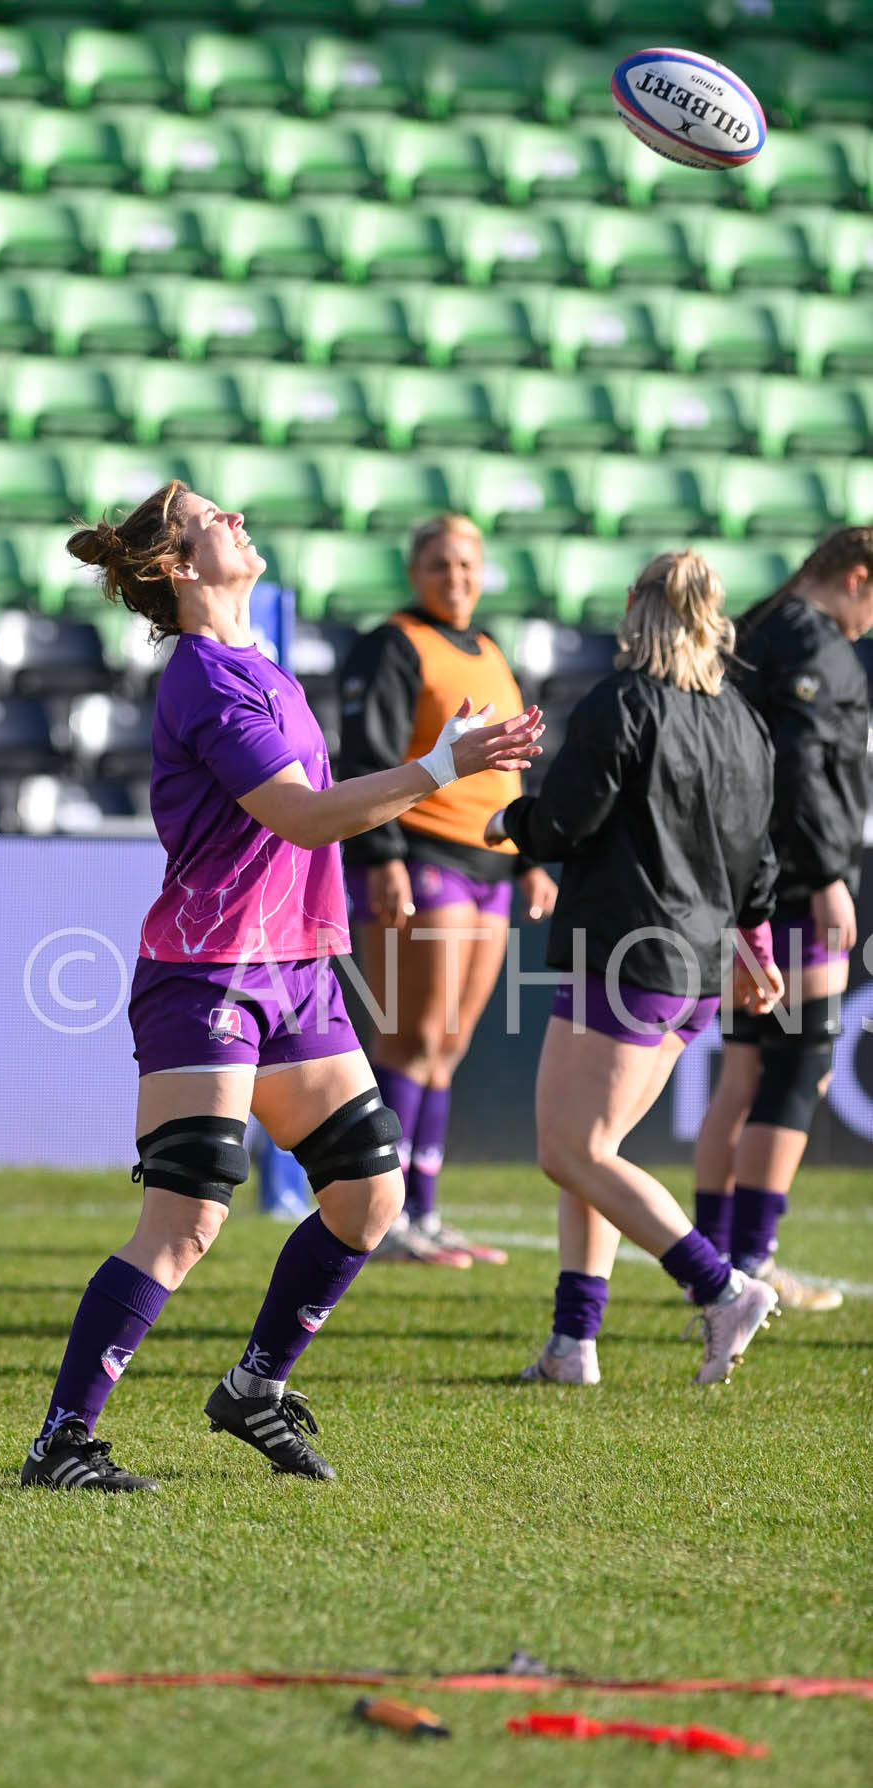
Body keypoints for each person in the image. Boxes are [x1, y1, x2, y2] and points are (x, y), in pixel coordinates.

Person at [21, 482, 543, 1490]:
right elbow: (305, 817)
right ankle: (61, 1441)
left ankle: (255, 1386)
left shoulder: (260, 665)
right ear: (177, 565)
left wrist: (430, 768)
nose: (239, 520)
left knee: (369, 1195)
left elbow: (317, 813)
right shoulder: (210, 680)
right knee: (185, 1224)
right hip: (207, 970)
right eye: (216, 517)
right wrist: (436, 765)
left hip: (294, 968)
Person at [483, 550, 783, 1389]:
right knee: (598, 1151)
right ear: (711, 616)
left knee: (570, 1150)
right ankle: (571, 1345)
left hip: (628, 950)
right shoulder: (741, 717)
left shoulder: (624, 700)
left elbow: (568, 821)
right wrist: (754, 941)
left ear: (631, 607)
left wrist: (513, 820)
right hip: (696, 965)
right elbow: (760, 853)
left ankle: (719, 1288)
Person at [337, 514, 557, 1269]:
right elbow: (367, 756)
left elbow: (509, 764)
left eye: (465, 564)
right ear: (413, 572)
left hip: (489, 861)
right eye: (438, 564)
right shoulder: (393, 644)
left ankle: (423, 1213)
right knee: (410, 1035)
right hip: (419, 854)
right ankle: (383, 1213)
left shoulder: (489, 650)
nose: (454, 577)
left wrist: (530, 851)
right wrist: (382, 854)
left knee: (451, 1044)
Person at [692, 526, 873, 1312]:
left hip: (746, 878)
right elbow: (799, 770)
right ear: (857, 578)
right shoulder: (810, 637)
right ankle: (749, 1260)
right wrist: (828, 874)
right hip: (791, 883)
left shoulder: (765, 623)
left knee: (744, 1072)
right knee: (797, 1064)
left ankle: (711, 1265)